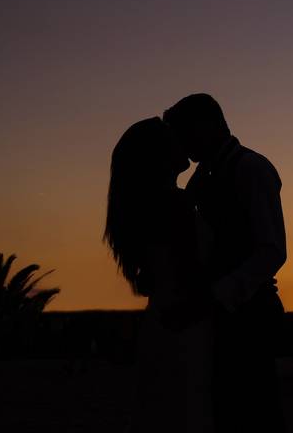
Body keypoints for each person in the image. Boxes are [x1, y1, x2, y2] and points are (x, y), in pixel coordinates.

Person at [163, 94, 287, 433]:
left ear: (207, 126)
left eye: (185, 132)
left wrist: (218, 295)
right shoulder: (201, 178)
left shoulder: (251, 169)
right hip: (216, 314)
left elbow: (272, 250)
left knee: (254, 410)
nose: (182, 144)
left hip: (246, 314)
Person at [104, 117, 215, 433]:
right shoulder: (173, 207)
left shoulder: (153, 207)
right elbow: (192, 272)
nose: (182, 140)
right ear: (159, 154)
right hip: (186, 324)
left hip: (163, 323)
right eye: (172, 137)